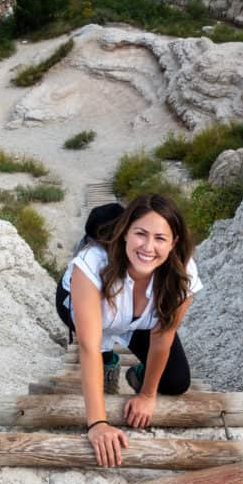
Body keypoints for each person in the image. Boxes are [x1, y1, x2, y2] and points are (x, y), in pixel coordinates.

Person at [54, 193, 202, 467]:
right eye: (140, 234)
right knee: (98, 349)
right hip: (87, 306)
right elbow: (88, 345)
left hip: (137, 321)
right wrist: (98, 423)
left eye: (160, 238)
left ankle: (135, 373)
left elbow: (162, 340)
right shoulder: (93, 263)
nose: (148, 246)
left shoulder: (183, 273)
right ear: (124, 233)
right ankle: (109, 357)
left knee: (176, 382)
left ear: (174, 243)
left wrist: (146, 395)